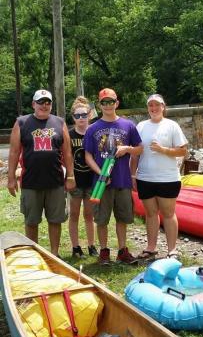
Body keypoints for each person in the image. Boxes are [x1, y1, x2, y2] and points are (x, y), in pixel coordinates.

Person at [7, 89, 75, 257]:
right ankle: (33, 256)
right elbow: (14, 152)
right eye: (40, 102)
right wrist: (10, 179)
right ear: (33, 104)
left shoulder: (59, 122)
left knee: (55, 220)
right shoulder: (22, 123)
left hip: (56, 181)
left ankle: (54, 254)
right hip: (31, 181)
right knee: (31, 221)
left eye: (48, 102)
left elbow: (67, 152)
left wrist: (71, 176)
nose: (44, 106)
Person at [84, 88, 143, 265]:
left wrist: (127, 149)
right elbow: (87, 156)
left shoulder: (128, 125)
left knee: (122, 217)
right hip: (101, 183)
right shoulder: (92, 128)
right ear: (99, 105)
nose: (108, 105)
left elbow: (140, 148)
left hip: (122, 180)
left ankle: (122, 251)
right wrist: (100, 173)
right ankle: (103, 252)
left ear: (117, 103)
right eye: (104, 102)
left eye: (111, 102)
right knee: (101, 219)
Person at [131, 94, 188, 261]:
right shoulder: (141, 126)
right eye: (151, 106)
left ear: (163, 107)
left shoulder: (172, 126)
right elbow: (135, 154)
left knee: (169, 214)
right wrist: (132, 174)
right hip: (145, 177)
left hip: (168, 178)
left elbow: (183, 151)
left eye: (157, 105)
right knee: (150, 213)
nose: (154, 109)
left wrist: (163, 150)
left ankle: (172, 250)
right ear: (148, 108)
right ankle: (151, 247)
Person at [69, 96, 98, 258]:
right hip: (76, 181)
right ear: (73, 117)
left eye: (84, 115)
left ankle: (91, 245)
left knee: (89, 214)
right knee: (74, 214)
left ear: (89, 115)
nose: (81, 118)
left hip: (91, 180)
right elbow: (64, 157)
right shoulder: (69, 134)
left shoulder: (94, 133)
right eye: (77, 115)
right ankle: (75, 247)